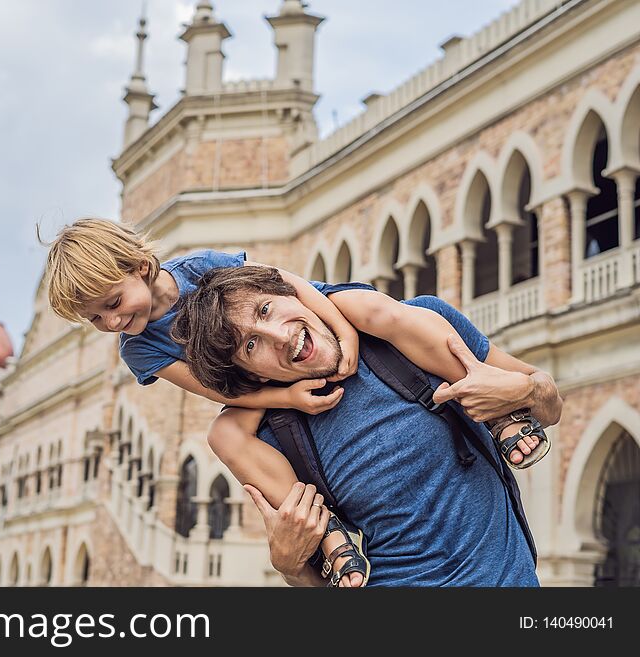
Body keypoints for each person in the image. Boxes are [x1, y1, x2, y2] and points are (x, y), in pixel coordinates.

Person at [44, 218, 547, 586]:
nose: (111, 324)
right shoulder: (138, 347)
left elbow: (286, 284)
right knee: (223, 430)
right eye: (96, 320)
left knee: (374, 307)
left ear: (140, 265)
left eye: (111, 305)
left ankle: (498, 410)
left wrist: (342, 327)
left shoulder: (202, 266)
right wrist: (291, 563)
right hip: (246, 382)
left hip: (324, 309)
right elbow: (219, 391)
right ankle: (331, 538)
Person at [170, 265, 563, 586]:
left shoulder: (413, 328)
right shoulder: (275, 436)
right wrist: (289, 567)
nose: (279, 336)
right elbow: (324, 589)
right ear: (250, 375)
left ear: (293, 294)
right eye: (250, 346)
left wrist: (523, 391)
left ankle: (501, 419)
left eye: (265, 310)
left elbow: (551, 403)